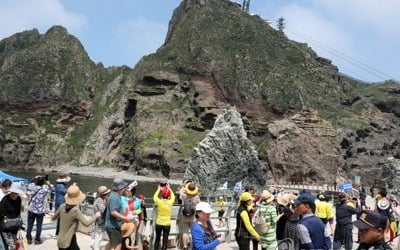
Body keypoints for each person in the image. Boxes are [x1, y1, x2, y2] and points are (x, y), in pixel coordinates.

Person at [52, 185, 101, 250]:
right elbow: (86, 223)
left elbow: (53, 218)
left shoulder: (62, 206)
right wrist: (96, 215)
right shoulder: (75, 210)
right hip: (69, 241)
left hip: (60, 241)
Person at [105, 178, 131, 250]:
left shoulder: (114, 195)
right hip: (113, 225)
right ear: (121, 188)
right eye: (124, 188)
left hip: (112, 225)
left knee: (112, 243)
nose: (124, 189)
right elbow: (113, 212)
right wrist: (125, 218)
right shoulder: (115, 197)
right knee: (118, 244)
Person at [26, 175, 51, 245]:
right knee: (39, 225)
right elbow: (50, 189)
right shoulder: (44, 189)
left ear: (36, 181)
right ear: (43, 182)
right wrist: (48, 183)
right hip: (40, 211)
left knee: (30, 224)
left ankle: (29, 239)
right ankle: (37, 239)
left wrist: (35, 177)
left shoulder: (32, 186)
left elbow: (30, 182)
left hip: (31, 209)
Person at [0, 182, 24, 250]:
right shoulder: (5, 199)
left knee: (14, 245)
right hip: (5, 227)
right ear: (10, 191)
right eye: (12, 192)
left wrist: (19, 228)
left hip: (15, 226)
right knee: (10, 246)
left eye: (16, 193)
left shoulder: (19, 199)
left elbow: (18, 213)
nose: (14, 194)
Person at [179, 181, 200, 250]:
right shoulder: (196, 197)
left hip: (184, 216)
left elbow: (180, 192)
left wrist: (184, 185)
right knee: (194, 231)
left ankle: (185, 246)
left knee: (185, 232)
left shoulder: (184, 195)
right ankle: (195, 245)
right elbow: (199, 204)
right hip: (193, 216)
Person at [153, 183, 175, 250]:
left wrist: (158, 189)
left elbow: (155, 196)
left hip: (159, 223)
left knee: (157, 238)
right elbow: (173, 196)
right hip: (167, 224)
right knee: (165, 241)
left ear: (162, 195)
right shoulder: (170, 202)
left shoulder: (159, 202)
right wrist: (169, 188)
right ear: (168, 196)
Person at [92, 186, 111, 250]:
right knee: (98, 235)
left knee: (99, 235)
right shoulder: (99, 200)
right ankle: (96, 248)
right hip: (99, 221)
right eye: (107, 194)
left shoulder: (102, 199)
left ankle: (95, 246)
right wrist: (106, 204)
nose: (108, 195)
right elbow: (102, 210)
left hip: (101, 220)